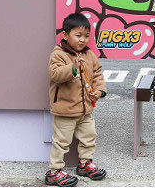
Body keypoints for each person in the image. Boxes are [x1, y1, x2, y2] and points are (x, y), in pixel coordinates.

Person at [45, 13, 108, 186]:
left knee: (89, 136)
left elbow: (97, 75)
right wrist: (72, 68)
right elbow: (55, 74)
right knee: (62, 141)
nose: (83, 40)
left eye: (86, 36)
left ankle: (85, 164)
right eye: (78, 35)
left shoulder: (89, 55)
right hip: (65, 110)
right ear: (65, 35)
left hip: (86, 109)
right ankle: (54, 171)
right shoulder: (58, 54)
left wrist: (99, 91)